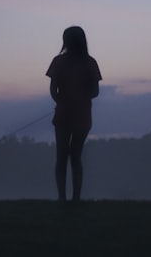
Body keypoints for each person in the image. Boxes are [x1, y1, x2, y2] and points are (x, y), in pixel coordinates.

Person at [45, 25, 101, 203]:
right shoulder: (90, 62)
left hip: (65, 115)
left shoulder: (59, 61)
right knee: (75, 156)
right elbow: (95, 92)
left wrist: (62, 100)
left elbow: (53, 89)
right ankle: (74, 197)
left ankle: (63, 197)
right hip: (82, 115)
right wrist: (77, 98)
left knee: (62, 156)